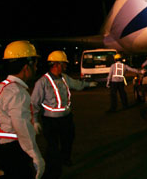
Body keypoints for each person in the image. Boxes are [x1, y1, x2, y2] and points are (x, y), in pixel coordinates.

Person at [0, 40, 45, 179]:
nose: (36, 69)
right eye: (35, 65)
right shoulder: (18, 92)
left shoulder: (0, 88)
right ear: (26, 67)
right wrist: (36, 157)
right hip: (10, 156)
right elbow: (22, 128)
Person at [31, 50, 97, 178]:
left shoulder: (65, 78)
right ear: (57, 64)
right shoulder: (42, 82)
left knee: (68, 140)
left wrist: (89, 84)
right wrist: (35, 120)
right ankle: (52, 168)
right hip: (50, 121)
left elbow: (77, 84)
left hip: (66, 118)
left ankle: (65, 159)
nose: (66, 66)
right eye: (64, 64)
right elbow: (34, 103)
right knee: (52, 146)